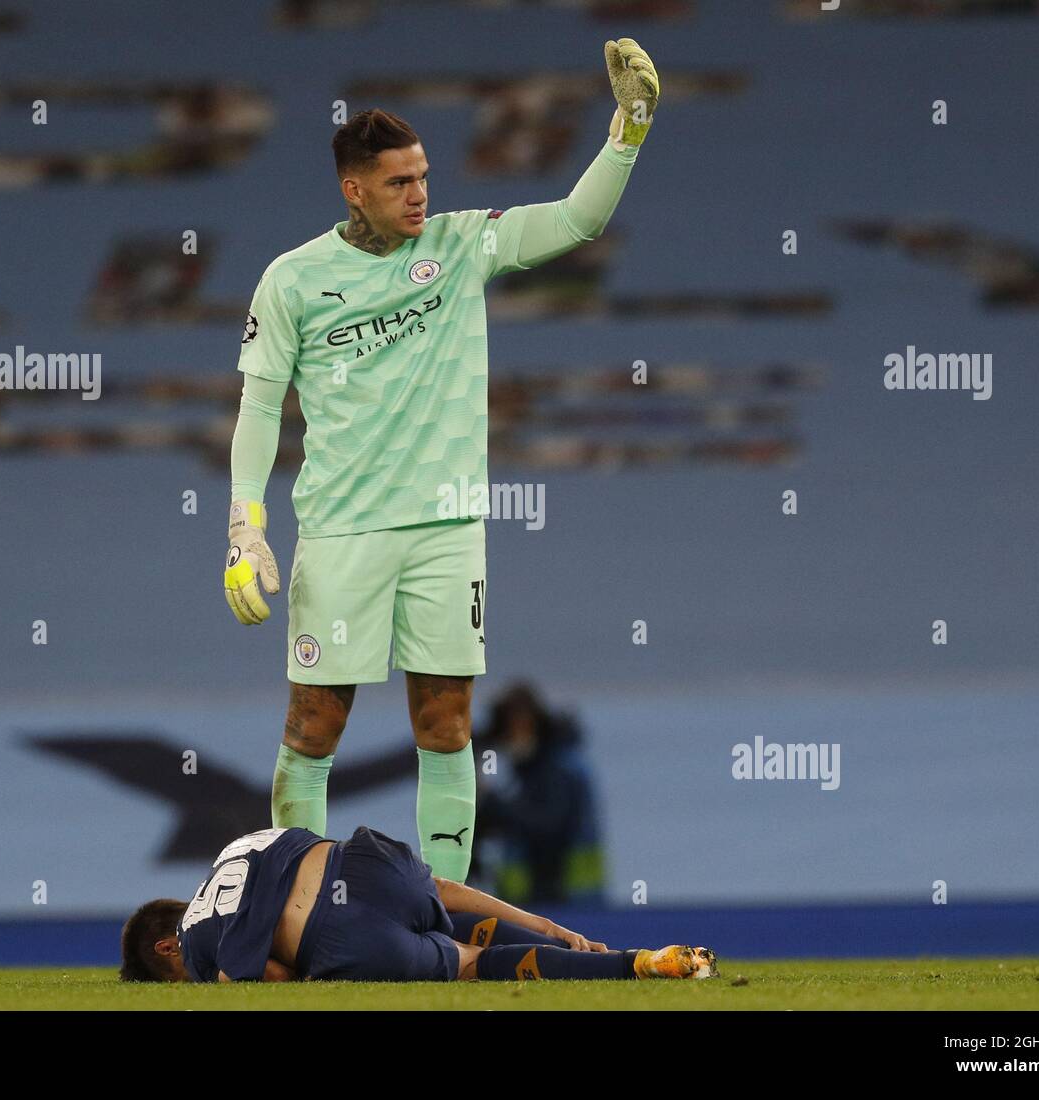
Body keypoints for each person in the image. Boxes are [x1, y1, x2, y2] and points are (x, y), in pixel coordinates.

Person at [218, 40, 661, 884]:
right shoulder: (294, 280)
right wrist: (245, 524)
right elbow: (259, 405)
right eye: (398, 182)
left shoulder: (463, 247)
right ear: (354, 189)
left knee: (448, 722)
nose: (420, 194)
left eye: (423, 176)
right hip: (345, 529)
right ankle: (299, 903)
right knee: (313, 729)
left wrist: (628, 132)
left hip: (447, 527)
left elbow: (578, 219)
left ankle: (447, 908)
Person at [120, 825, 717, 983]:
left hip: (341, 935)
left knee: (474, 964)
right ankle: (570, 941)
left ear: (166, 944)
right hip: (367, 861)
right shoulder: (236, 850)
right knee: (443, 910)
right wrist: (541, 922)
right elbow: (438, 889)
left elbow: (259, 972)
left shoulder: (196, 943)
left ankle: (642, 961)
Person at [475, 682, 606, 906]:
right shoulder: (536, 770)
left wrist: (491, 804)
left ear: (525, 722)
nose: (507, 743)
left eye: (509, 733)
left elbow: (545, 825)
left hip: (567, 902)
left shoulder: (560, 769)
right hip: (554, 902)